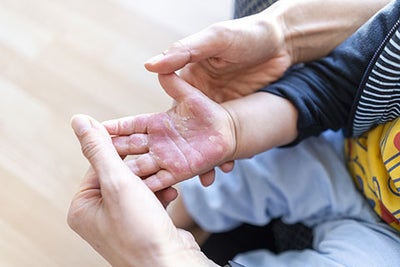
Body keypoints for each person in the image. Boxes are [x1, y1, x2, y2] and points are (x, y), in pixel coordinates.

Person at [67, 1, 400, 267]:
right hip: (345, 149)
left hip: (386, 245)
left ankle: (176, 234)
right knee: (238, 170)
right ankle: (181, 220)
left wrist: (165, 257)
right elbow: (340, 83)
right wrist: (234, 128)